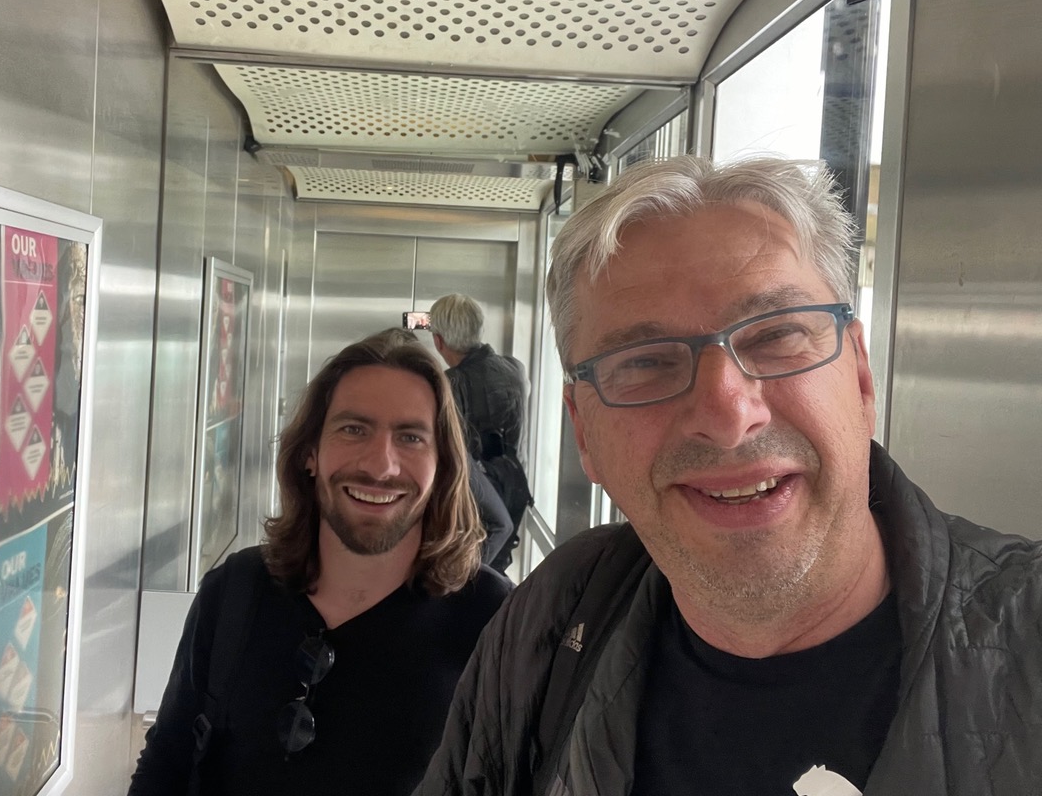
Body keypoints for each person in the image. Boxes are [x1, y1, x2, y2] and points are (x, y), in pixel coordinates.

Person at [416, 155, 1042, 796]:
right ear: (584, 432)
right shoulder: (549, 624)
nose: (727, 415)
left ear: (859, 376)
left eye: (776, 335)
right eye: (646, 362)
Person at [129, 330, 511, 796]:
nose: (381, 466)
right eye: (354, 430)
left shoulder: (490, 620)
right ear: (310, 452)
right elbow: (166, 762)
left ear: (442, 466)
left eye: (410, 437)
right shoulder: (237, 590)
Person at [429, 293, 531, 571]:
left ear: (439, 341)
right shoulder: (516, 369)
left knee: (466, 573)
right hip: (514, 488)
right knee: (494, 572)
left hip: (475, 502)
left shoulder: (450, 384)